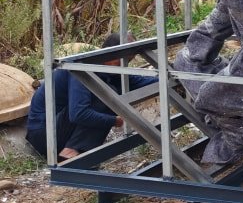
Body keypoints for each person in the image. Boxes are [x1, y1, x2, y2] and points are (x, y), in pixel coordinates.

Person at [25, 33, 158, 161]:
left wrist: (170, 79)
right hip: (45, 135)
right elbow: (78, 114)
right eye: (128, 59)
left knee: (109, 89)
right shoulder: (81, 69)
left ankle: (74, 149)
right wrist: (115, 120)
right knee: (107, 93)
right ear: (114, 56)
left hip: (59, 128)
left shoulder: (107, 68)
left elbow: (137, 81)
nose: (128, 63)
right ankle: (72, 152)